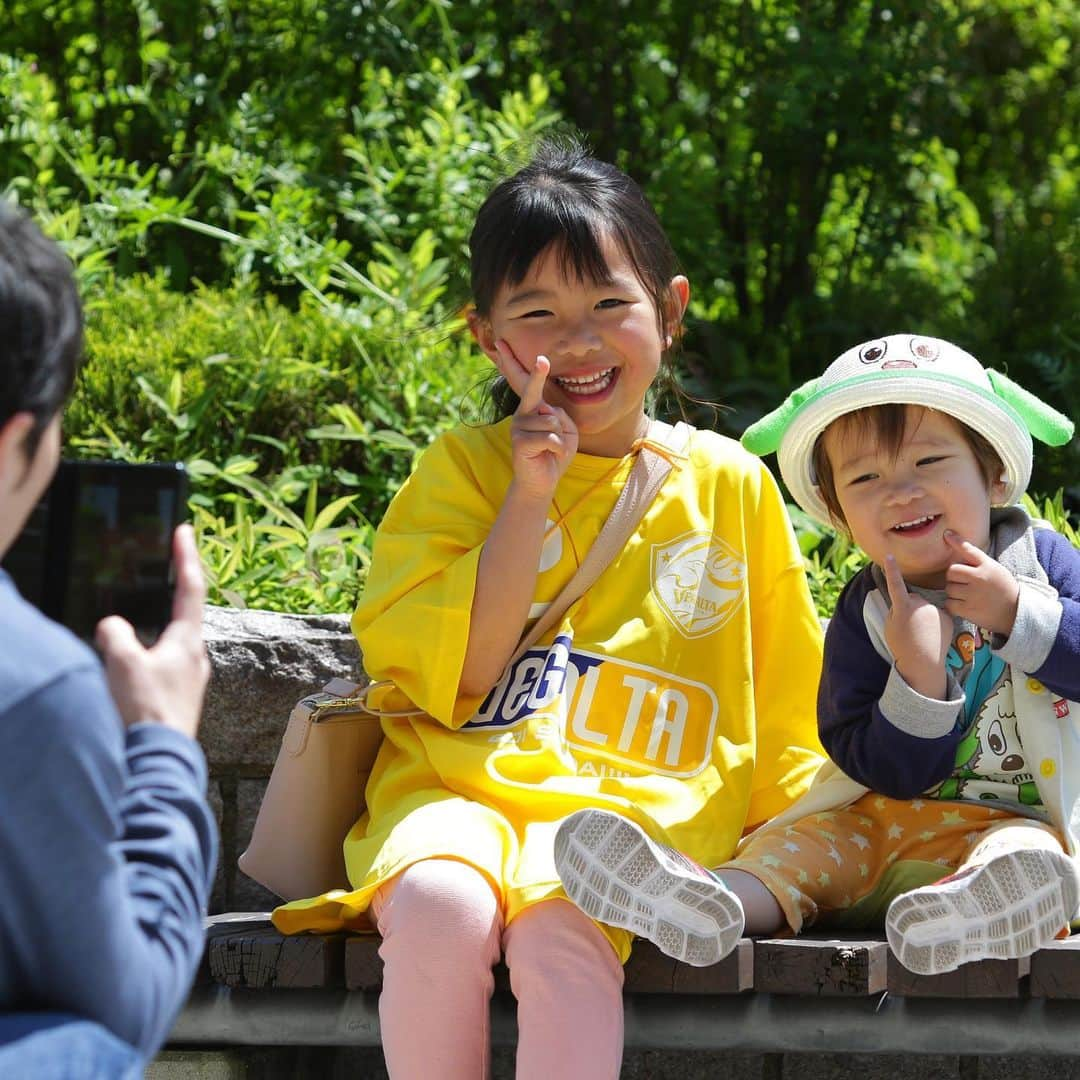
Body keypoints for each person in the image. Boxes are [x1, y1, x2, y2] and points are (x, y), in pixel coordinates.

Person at [271, 136, 825, 1078]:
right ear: (490, 337)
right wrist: (528, 497)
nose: (577, 342)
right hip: (454, 795)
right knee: (443, 909)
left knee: (566, 936)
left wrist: (776, 866)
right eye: (539, 313)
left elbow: (786, 711)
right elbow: (461, 675)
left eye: (610, 304)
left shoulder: (727, 481)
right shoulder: (463, 471)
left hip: (629, 827)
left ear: (671, 310)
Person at [555, 333, 1080, 978]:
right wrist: (918, 680)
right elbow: (871, 762)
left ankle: (970, 917)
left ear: (994, 472)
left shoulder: (1040, 565)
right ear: (838, 512)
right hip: (880, 824)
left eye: (929, 462)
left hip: (1017, 820)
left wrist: (1014, 615)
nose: (901, 491)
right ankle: (706, 901)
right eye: (866, 478)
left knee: (1024, 856)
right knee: (798, 848)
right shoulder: (868, 615)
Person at [0, 202, 217, 1075]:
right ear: (17, 435)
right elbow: (125, 1003)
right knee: (86, 1048)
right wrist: (163, 743)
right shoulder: (38, 690)